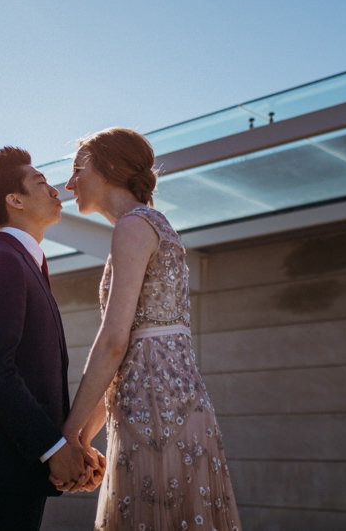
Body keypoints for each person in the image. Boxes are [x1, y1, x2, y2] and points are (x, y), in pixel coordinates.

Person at [56, 128, 242, 530]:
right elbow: (126, 358)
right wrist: (83, 440)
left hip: (156, 417)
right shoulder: (153, 225)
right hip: (168, 409)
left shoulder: (133, 227)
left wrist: (66, 438)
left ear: (107, 169)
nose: (69, 184)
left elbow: (112, 344)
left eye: (78, 170)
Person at [0, 146, 103, 531]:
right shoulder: (0, 261)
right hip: (2, 467)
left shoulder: (27, 262)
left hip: (20, 467)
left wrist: (71, 447)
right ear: (14, 200)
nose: (56, 190)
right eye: (41, 183)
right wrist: (54, 449)